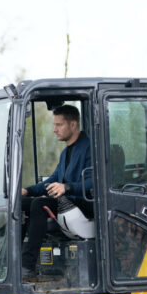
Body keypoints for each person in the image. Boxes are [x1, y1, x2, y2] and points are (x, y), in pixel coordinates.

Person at [20, 105, 92, 277]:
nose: (54, 130)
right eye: (54, 125)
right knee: (21, 204)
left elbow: (95, 182)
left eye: (59, 125)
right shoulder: (66, 152)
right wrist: (27, 191)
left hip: (83, 202)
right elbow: (52, 180)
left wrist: (67, 187)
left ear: (73, 125)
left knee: (40, 205)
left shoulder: (90, 147)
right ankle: (14, 259)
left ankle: (27, 267)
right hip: (67, 201)